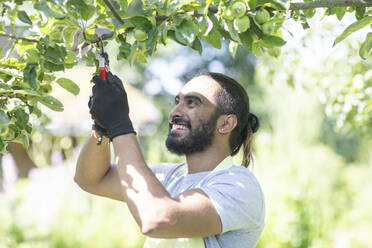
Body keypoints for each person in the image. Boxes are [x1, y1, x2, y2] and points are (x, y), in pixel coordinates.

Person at [74, 71, 265, 248]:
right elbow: (92, 179)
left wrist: (119, 124)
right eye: (177, 102)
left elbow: (157, 218)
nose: (174, 112)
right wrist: (103, 128)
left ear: (225, 123)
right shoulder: (170, 177)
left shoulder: (239, 185)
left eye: (192, 103)